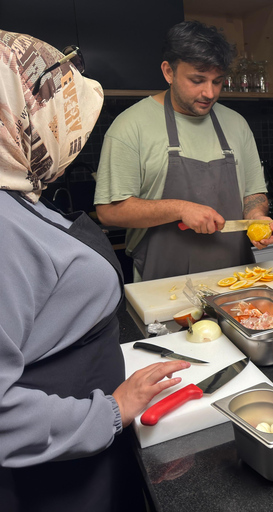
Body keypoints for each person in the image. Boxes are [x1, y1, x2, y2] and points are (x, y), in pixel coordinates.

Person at [0, 31, 191, 511]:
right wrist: (113, 409)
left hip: (81, 451)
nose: (71, 140)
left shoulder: (17, 192)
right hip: (52, 476)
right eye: (61, 120)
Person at [94, 20, 273, 282]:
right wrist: (180, 209)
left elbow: (253, 194)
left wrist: (257, 219)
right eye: (197, 80)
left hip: (236, 278)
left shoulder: (236, 124)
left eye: (217, 81)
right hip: (163, 283)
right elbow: (109, 212)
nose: (209, 92)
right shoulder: (130, 126)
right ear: (169, 72)